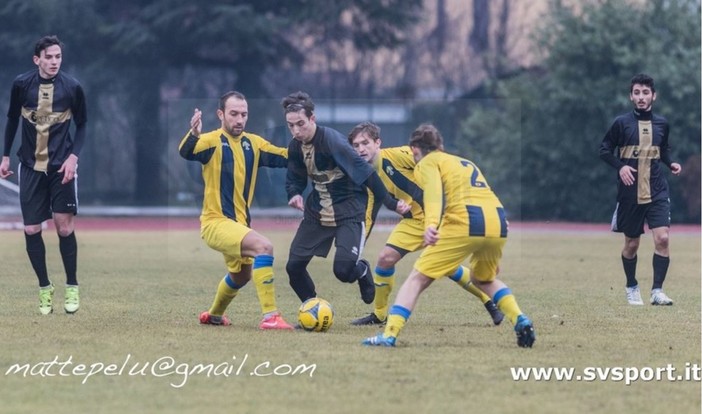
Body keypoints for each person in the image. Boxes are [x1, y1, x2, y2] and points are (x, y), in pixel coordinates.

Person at [363, 124, 535, 348]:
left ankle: (389, 335)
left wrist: (431, 224)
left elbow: (433, 195)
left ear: (415, 149)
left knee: (416, 280)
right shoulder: (465, 162)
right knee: (483, 279)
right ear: (440, 145)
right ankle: (520, 319)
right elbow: (486, 192)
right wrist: (500, 222)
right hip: (497, 220)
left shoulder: (427, 162)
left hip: (463, 222)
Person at [347, 122, 504, 326]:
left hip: (435, 217)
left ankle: (489, 300)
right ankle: (379, 315)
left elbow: (435, 163)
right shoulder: (369, 176)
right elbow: (369, 213)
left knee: (447, 267)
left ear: (378, 143)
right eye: (356, 145)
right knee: (385, 258)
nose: (361, 149)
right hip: (412, 222)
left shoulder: (399, 155)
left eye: (365, 143)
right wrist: (358, 246)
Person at [178, 91, 293, 329]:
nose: (239, 119)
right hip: (215, 223)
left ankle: (214, 315)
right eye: (233, 114)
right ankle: (270, 317)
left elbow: (284, 157)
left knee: (242, 276)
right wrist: (194, 134)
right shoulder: (211, 141)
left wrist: (312, 146)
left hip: (238, 225)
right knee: (264, 247)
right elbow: (186, 152)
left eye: (244, 114)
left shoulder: (254, 143)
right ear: (221, 114)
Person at [282, 91, 409, 305]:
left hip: (348, 211)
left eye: (300, 123)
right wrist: (294, 193)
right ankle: (312, 307)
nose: (295, 130)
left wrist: (391, 203)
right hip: (317, 213)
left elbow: (368, 175)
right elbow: (295, 177)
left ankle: (361, 271)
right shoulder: (295, 147)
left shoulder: (333, 142)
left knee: (343, 271)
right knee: (293, 267)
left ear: (312, 119)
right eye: (290, 125)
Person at [0, 35, 87, 315]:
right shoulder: (21, 85)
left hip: (62, 167)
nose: (54, 62)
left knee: (64, 228)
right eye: (48, 57)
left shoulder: (72, 87)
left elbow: (83, 125)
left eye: (58, 57)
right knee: (31, 229)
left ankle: (72, 286)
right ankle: (44, 287)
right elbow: (12, 119)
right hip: (29, 167)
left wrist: (74, 158)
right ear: (37, 59)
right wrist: (4, 156)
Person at [599, 73, 682, 306]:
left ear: (653, 96)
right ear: (631, 96)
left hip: (656, 188)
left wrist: (670, 163)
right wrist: (621, 167)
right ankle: (631, 286)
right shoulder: (621, 123)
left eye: (646, 92)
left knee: (663, 238)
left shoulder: (662, 124)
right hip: (630, 192)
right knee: (632, 244)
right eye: (637, 92)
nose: (641, 97)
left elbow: (661, 150)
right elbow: (604, 150)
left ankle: (657, 291)